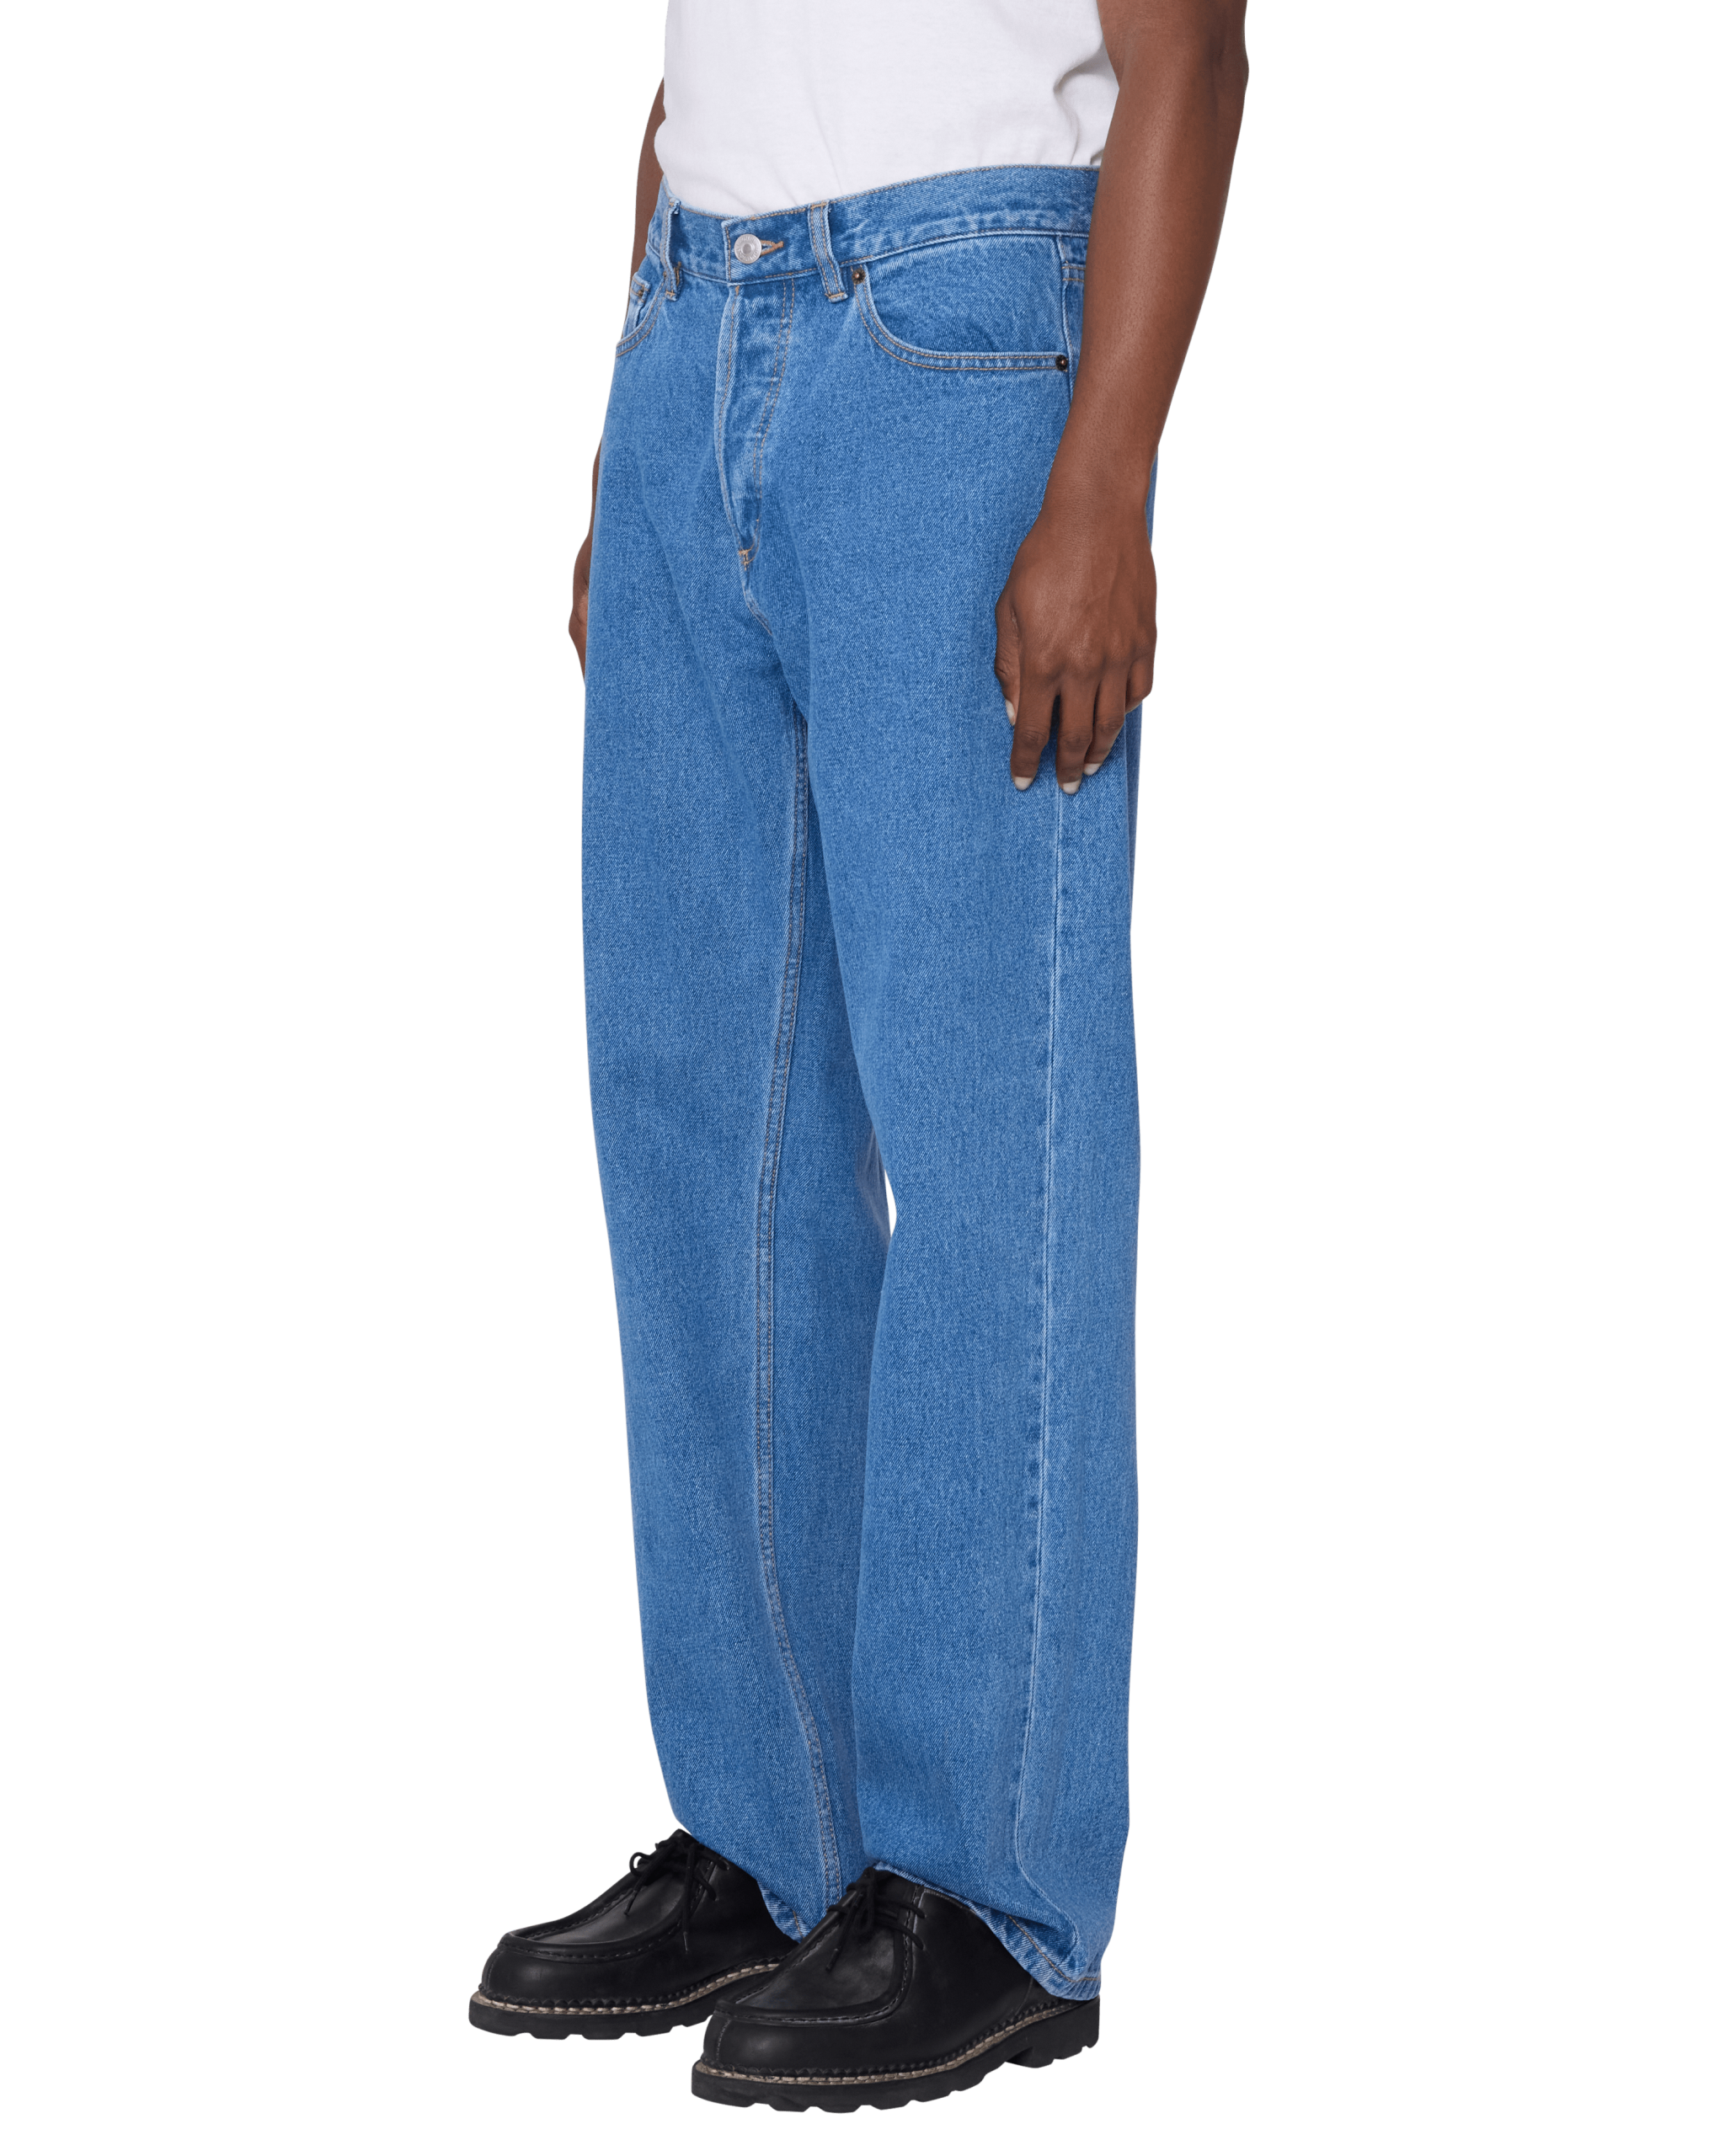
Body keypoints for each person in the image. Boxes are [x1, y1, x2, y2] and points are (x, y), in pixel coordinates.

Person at [467, 0, 1248, 2112]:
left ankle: (989, 1886)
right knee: (698, 1126)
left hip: (959, 330)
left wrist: (1104, 482)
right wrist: (632, 432)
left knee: (990, 1136)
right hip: (694, 313)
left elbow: (1187, 50)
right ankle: (766, 1827)